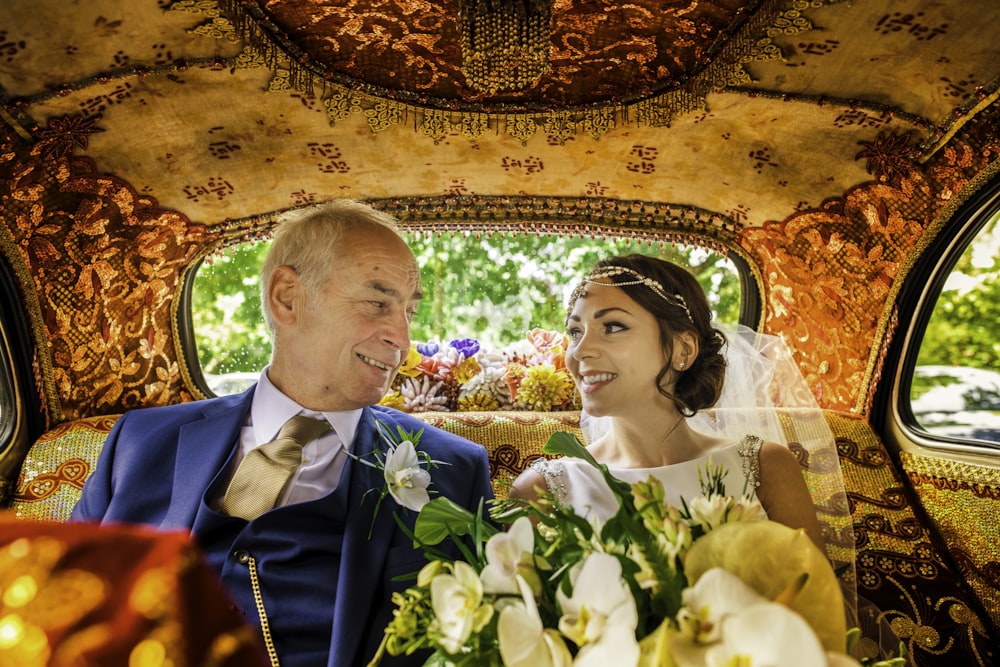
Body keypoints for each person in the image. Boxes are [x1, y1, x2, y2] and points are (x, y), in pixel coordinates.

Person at [71, 200, 495, 667]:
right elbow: (64, 607)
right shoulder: (139, 443)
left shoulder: (454, 469)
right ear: (287, 297)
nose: (402, 337)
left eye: (408, 312)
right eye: (378, 303)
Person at [510, 253, 826, 550]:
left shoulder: (767, 467)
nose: (579, 352)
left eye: (613, 326)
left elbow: (818, 605)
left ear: (683, 350)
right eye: (575, 331)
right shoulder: (540, 492)